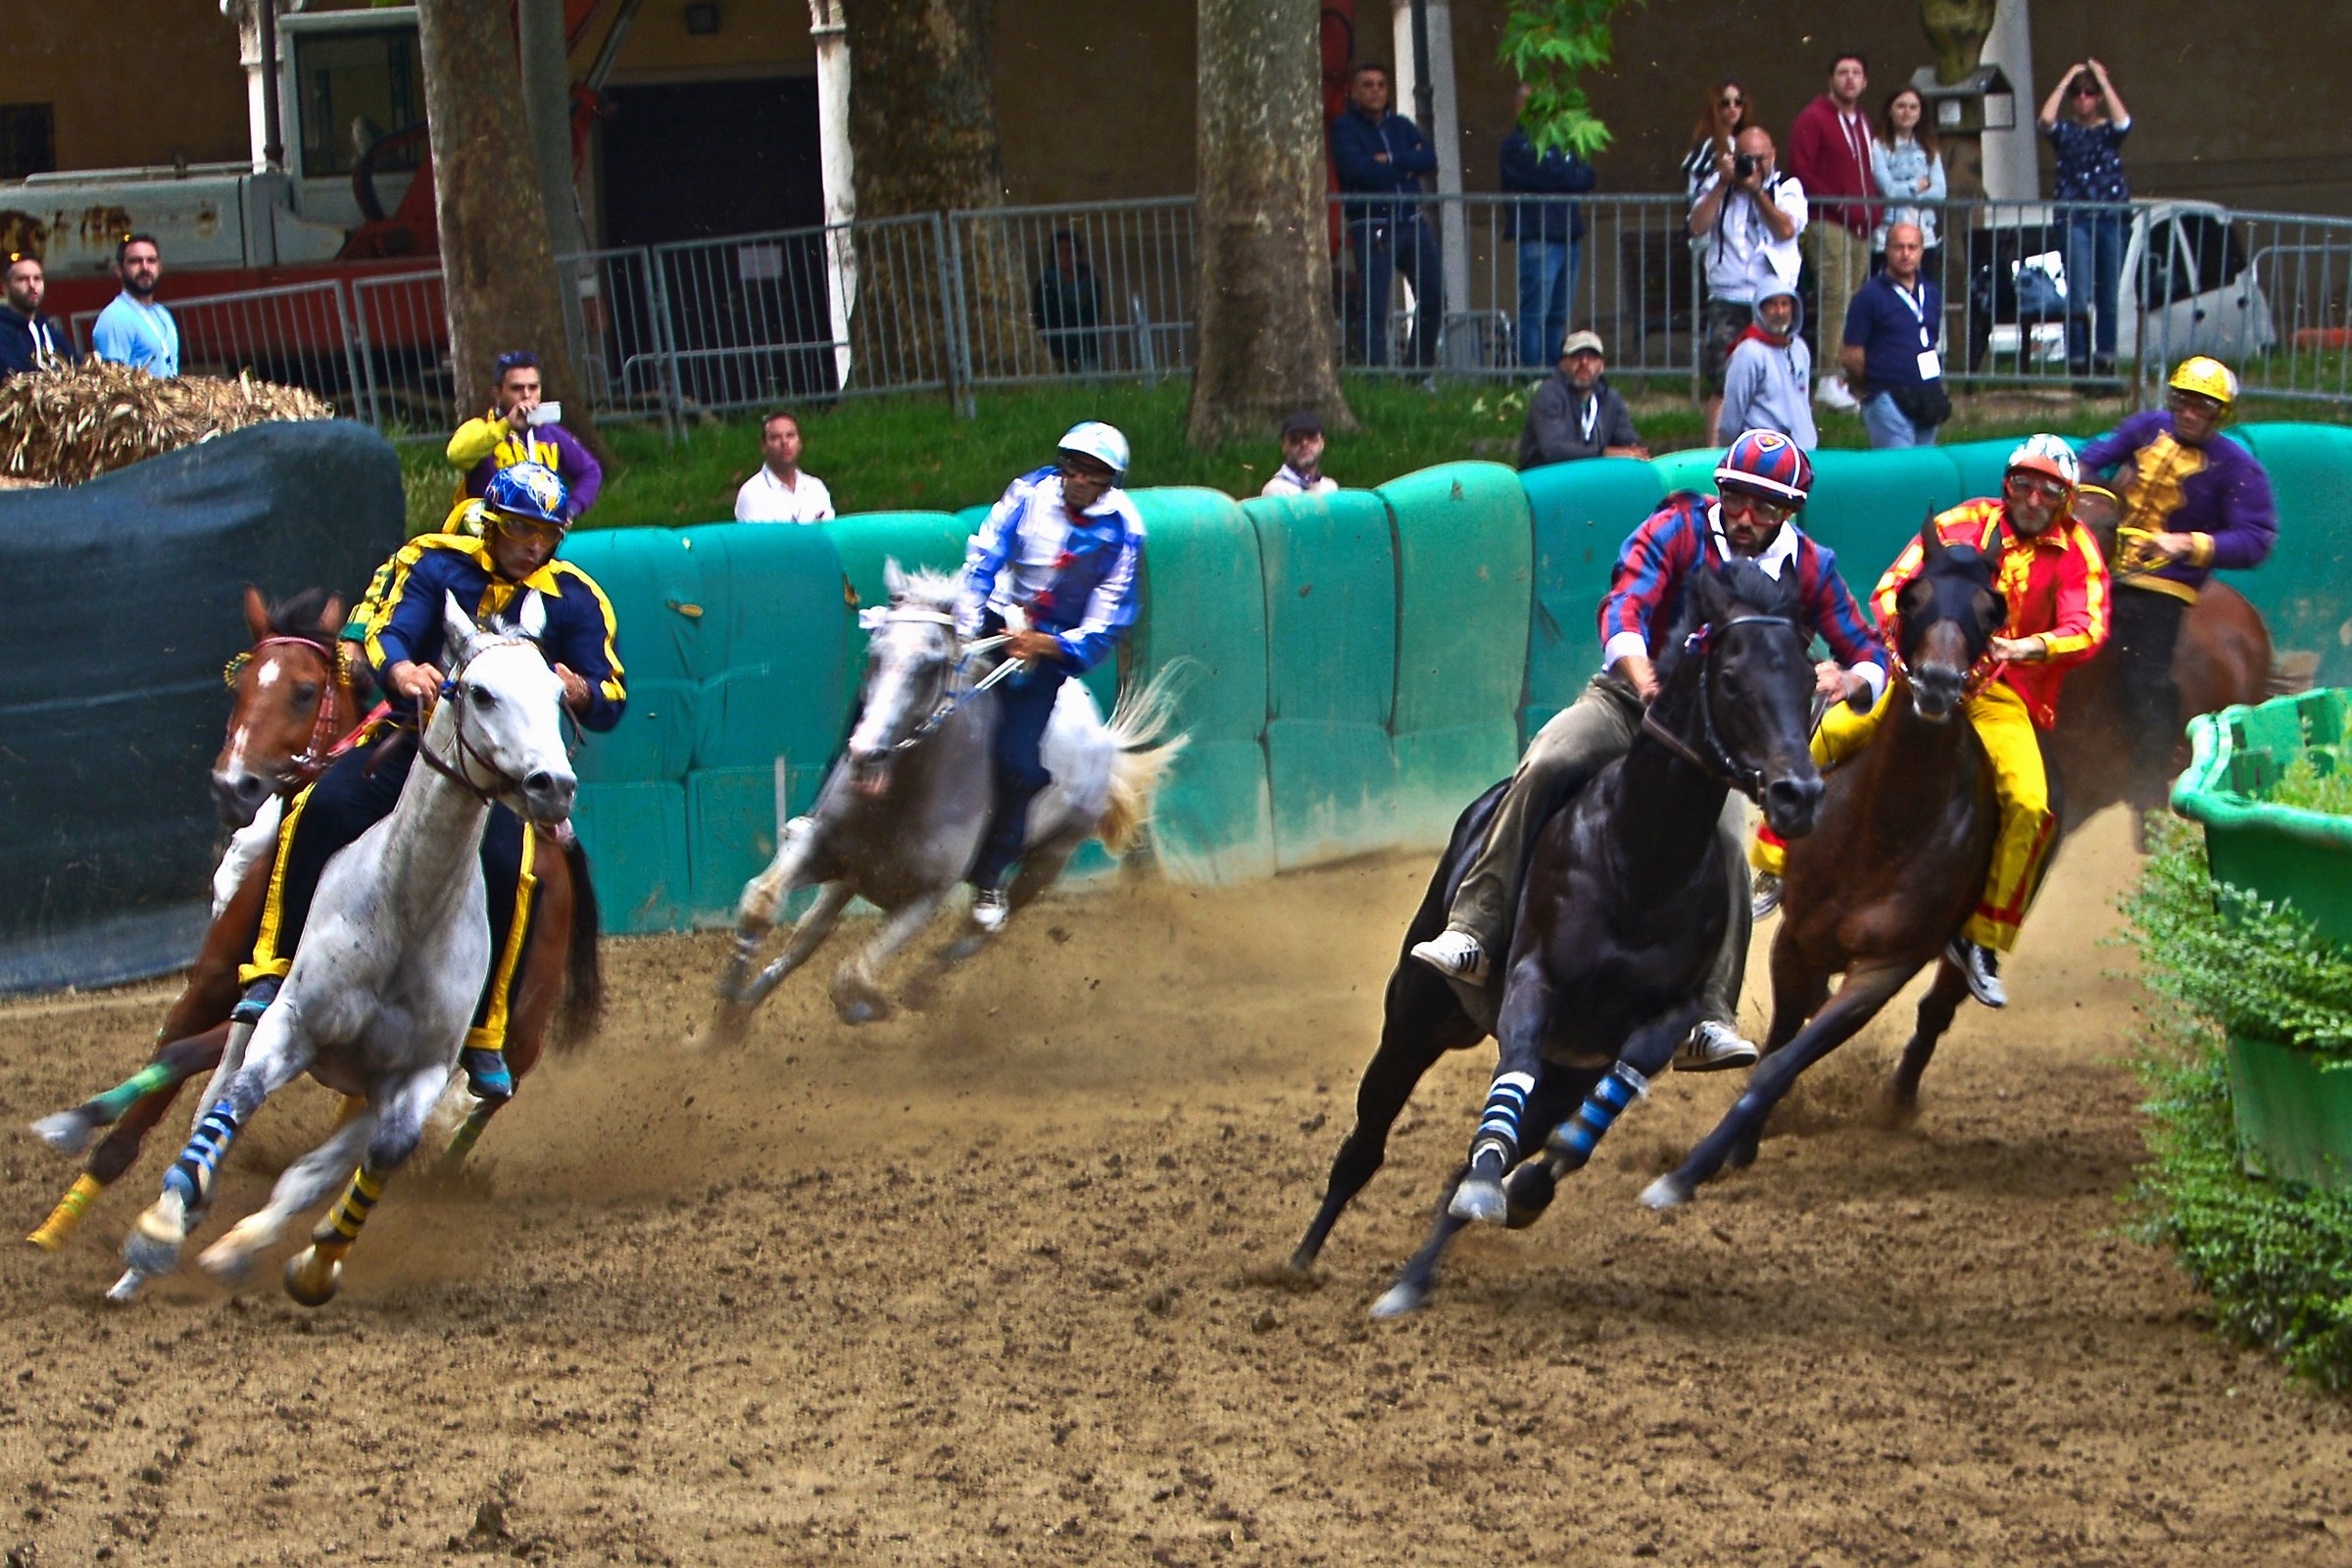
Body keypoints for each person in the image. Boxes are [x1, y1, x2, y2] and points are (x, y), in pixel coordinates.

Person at [1409, 430, 1886, 1071]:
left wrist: (1846, 678)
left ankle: (1711, 1014)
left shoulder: (1812, 567)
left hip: (1712, 744)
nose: (1748, 517)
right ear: (1722, 490)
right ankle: (1475, 922)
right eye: (1739, 497)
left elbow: (1869, 650)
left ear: (1789, 512)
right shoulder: (1677, 529)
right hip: (1630, 702)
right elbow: (1625, 604)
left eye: (1766, 507)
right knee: (1549, 760)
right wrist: (1640, 675)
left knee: (1728, 851)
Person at [240, 462, 626, 1102]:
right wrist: (401, 671)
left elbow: (612, 690)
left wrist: (585, 692)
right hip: (411, 744)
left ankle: (481, 1030)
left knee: (513, 868)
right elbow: (388, 631)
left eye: (547, 534)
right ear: (495, 524)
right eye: (523, 531)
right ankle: (272, 967)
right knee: (318, 804)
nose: (535, 545)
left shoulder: (578, 598)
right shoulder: (436, 562)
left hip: (503, 779)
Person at [1752, 435, 2111, 1008]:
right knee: (1828, 735)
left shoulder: (2077, 551)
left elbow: (2089, 626)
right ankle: (1772, 861)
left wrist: (2025, 648)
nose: (2034, 498)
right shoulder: (1964, 521)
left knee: (2030, 803)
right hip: (1917, 676)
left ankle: (1983, 940)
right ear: (2006, 485)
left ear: (2066, 499)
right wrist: (1915, 641)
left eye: (2050, 490)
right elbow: (1893, 588)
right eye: (2024, 484)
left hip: (2002, 697)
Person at [957, 422, 1144, 931]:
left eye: (1092, 472)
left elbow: (1108, 622)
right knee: (893, 678)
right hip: (994, 619)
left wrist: (1046, 645)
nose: (1077, 478)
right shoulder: (1028, 491)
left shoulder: (1125, 531)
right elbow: (985, 554)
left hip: (1047, 652)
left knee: (1018, 762)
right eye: (1072, 466)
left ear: (1110, 481)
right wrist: (968, 619)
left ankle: (991, 876)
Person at [2078, 357, 2277, 784]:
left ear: (2219, 415)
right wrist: (2097, 498)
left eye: (2201, 409)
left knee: (2143, 672)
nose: (2189, 415)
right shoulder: (2145, 427)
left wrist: (2188, 543)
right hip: (2102, 561)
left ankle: (2151, 776)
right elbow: (2090, 460)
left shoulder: (2238, 467)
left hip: (2164, 582)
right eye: (2183, 403)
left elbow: (2256, 539)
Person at [1689, 126, 1806, 443]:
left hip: (1771, 298)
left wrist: (1756, 192)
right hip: (1728, 297)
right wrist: (1722, 184)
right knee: (1723, 382)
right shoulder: (1718, 185)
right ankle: (1714, 458)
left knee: (1777, 377)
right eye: (1745, 158)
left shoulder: (1787, 188)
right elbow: (1697, 226)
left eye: (1760, 158)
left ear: (1773, 156)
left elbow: (1785, 229)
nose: (1753, 165)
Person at [1330, 63, 1443, 368]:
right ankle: (1375, 377)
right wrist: (1405, 168)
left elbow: (1429, 159)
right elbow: (1357, 169)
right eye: (1367, 84)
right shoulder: (1345, 128)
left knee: (1434, 297)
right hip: (1374, 223)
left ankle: (1417, 372)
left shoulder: (1401, 126)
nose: (1375, 90)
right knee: (1374, 306)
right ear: (1354, 92)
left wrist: (1391, 159)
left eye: (1381, 84)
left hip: (1411, 221)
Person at [1788, 53, 1876, 413]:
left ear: (1865, 81)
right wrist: (1837, 202)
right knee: (1835, 297)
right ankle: (1827, 376)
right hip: (1829, 219)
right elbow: (1801, 168)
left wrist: (1876, 207)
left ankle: (1843, 377)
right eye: (1843, 73)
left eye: (1857, 73)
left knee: (1853, 301)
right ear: (1831, 80)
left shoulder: (1863, 122)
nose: (1850, 79)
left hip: (1862, 222)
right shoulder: (1814, 118)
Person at [2037, 60, 2132, 382]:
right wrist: (2065, 79)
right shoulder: (2066, 132)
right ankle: (2078, 360)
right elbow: (2046, 120)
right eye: (2078, 94)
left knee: (2108, 293)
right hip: (2075, 219)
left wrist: (2103, 81)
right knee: (2078, 293)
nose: (2083, 99)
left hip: (2111, 218)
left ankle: (2105, 359)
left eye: (2089, 93)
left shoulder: (2108, 132)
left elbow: (2124, 122)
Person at [445, 350, 603, 530]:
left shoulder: (551, 433)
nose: (526, 395)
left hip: (539, 537)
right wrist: (506, 426)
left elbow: (591, 471)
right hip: (489, 535)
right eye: (517, 388)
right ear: (497, 393)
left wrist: (570, 509)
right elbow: (455, 455)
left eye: (533, 387)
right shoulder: (482, 427)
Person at [1500, 85, 1597, 370]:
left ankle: (1556, 377)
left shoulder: (1562, 141)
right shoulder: (1517, 144)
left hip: (1567, 234)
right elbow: (1551, 176)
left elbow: (1587, 176)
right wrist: (1569, 174)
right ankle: (1533, 378)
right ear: (1521, 108)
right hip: (1538, 235)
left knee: (1558, 315)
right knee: (1535, 314)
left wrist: (1568, 174)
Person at [1842, 222, 1949, 449]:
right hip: (1887, 396)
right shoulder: (1869, 296)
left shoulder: (1930, 292)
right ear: (1887, 250)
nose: (1905, 254)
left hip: (1927, 394)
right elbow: (1852, 354)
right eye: (1899, 247)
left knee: (1925, 470)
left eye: (1912, 247)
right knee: (1900, 470)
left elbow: (1931, 339)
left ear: (1922, 250)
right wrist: (1875, 383)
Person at [1519, 329, 1647, 469]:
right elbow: (1553, 449)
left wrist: (1635, 450)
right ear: (1563, 363)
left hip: (1590, 476)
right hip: (1546, 477)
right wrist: (1604, 452)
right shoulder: (1549, 394)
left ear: (1601, 365)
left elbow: (1627, 437)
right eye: (1576, 356)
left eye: (1591, 356)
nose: (1584, 362)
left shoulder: (1611, 399)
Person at [1717, 284, 1816, 449]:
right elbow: (1732, 413)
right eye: (1772, 305)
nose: (1780, 312)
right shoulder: (1748, 352)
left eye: (1785, 304)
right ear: (1760, 309)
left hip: (1804, 453)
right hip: (1764, 454)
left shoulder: (1800, 348)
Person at [1869, 85, 1945, 276]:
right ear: (1890, 110)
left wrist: (1905, 194)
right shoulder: (1878, 146)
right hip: (1888, 231)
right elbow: (1888, 190)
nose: (1907, 112)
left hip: (1923, 234)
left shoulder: (1930, 147)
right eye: (1901, 106)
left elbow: (1940, 193)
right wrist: (1916, 187)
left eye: (1913, 107)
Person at [90, 234, 178, 378]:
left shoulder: (163, 314)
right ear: (119, 270)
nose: (145, 267)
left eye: (151, 260)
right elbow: (112, 384)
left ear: (159, 267)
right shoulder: (114, 318)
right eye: (135, 261)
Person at [734, 410, 836, 523]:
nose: (784, 442)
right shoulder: (751, 494)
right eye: (775, 437)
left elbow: (829, 534)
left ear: (800, 443)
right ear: (763, 446)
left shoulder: (816, 488)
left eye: (790, 435)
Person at [1030, 230, 1103, 373]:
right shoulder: (1045, 284)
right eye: (1060, 251)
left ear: (1078, 253)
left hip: (1086, 347)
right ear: (1054, 255)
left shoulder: (1089, 281)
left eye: (1070, 250)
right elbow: (1041, 318)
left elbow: (1095, 314)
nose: (1065, 256)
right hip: (1055, 350)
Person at [1680, 77, 1754, 204]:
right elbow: (1695, 190)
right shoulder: (1707, 145)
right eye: (1725, 103)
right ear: (1715, 106)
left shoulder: (1747, 142)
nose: (1732, 107)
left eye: (1738, 102)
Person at [0, 256, 62, 378]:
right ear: (5, 288)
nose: (32, 285)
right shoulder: (3, 333)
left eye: (37, 278)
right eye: (23, 279)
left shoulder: (47, 329)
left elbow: (75, 364)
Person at [1260, 411, 1339, 498]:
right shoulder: (1276, 490)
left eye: (1311, 436)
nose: (1304, 443)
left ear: (1322, 442)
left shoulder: (1330, 487)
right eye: (1295, 439)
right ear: (1284, 445)